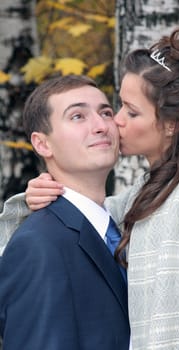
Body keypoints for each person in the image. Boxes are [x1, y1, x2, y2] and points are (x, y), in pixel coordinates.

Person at [1, 27, 179, 350]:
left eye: (127, 111)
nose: (113, 122)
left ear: (172, 124)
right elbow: (82, 217)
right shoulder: (140, 198)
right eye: (118, 107)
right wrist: (29, 201)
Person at [0, 75, 131, 350]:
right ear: (42, 144)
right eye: (77, 116)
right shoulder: (38, 244)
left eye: (106, 112)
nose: (100, 126)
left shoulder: (124, 225)